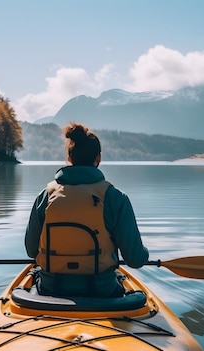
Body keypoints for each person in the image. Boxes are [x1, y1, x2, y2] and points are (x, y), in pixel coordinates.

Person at [25, 122, 149, 298]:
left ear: (69, 158)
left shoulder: (45, 197)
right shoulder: (116, 199)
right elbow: (135, 260)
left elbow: (31, 251)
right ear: (98, 158)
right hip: (103, 292)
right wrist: (144, 254)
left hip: (50, 290)